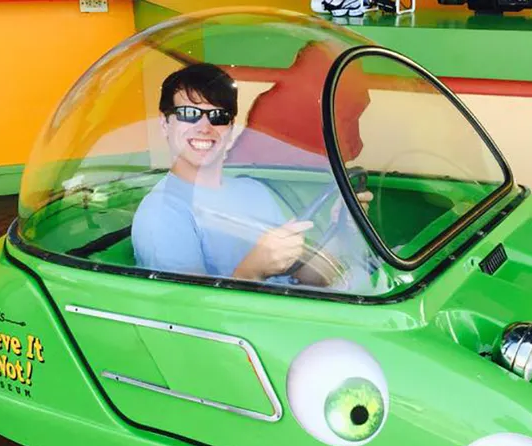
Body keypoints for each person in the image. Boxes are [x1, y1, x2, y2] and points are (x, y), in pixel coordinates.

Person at [130, 62, 372, 288]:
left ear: (231, 128)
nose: (204, 127)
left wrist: (343, 229)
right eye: (189, 114)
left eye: (218, 117)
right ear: (164, 123)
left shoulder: (253, 190)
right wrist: (252, 271)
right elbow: (190, 315)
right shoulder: (162, 212)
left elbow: (309, 274)